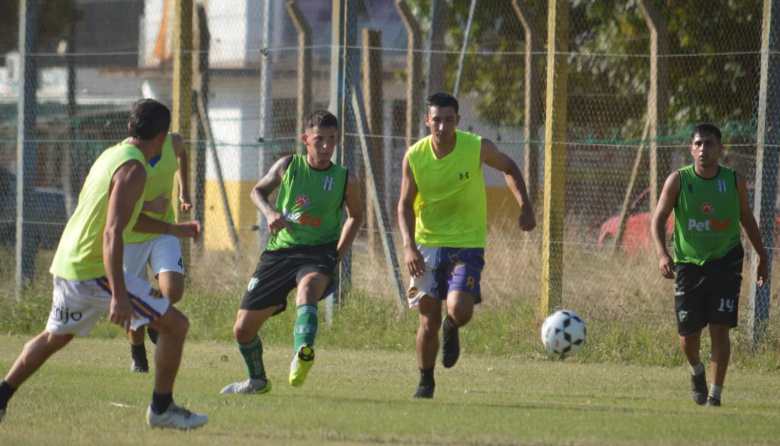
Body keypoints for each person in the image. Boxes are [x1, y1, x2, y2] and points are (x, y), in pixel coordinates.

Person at [0, 99, 208, 429]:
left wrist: (171, 229)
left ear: (130, 128)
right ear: (161, 136)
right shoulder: (135, 169)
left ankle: (1, 396)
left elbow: (123, 218)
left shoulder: (112, 156)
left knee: (55, 337)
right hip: (92, 270)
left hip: (69, 263)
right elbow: (112, 233)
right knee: (176, 325)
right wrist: (120, 296)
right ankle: (162, 408)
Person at [397, 92, 536, 399]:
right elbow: (404, 205)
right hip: (426, 247)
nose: (442, 126)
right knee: (426, 320)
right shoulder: (415, 156)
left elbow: (510, 167)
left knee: (459, 309)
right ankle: (425, 382)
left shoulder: (476, 147)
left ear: (458, 121)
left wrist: (524, 205)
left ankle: (453, 326)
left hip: (467, 244)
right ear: (427, 121)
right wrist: (408, 246)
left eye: (449, 120)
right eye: (437, 120)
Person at [220, 110, 363, 394]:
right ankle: (257, 381)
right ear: (305, 140)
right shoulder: (287, 166)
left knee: (307, 289)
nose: (325, 146)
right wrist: (270, 213)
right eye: (319, 139)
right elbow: (257, 192)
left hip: (319, 252)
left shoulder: (345, 179)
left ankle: (303, 353)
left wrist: (338, 254)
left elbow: (356, 216)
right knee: (242, 330)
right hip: (280, 253)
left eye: (331, 140)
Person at [651, 123, 767, 408]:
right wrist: (662, 254)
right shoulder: (678, 181)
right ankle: (696, 371)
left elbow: (748, 220)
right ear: (691, 149)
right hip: (689, 266)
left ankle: (715, 395)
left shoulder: (733, 180)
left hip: (726, 262)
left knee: (720, 328)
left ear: (720, 149)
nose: (704, 149)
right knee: (688, 339)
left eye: (710, 143)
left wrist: (762, 256)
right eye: (699, 144)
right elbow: (658, 219)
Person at [125, 131, 192, 373]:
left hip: (163, 230)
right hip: (130, 234)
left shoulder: (172, 142)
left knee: (173, 290)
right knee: (133, 298)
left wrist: (183, 190)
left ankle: (154, 319)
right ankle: (138, 356)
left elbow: (182, 153)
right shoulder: (125, 154)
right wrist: (148, 205)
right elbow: (112, 197)